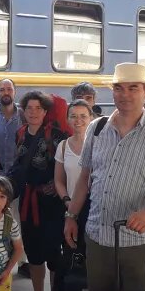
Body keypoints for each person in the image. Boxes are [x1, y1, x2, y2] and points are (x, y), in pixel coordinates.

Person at [64, 64, 145, 291]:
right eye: (119, 88)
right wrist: (71, 216)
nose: (125, 94)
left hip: (137, 243)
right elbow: (85, 178)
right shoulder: (96, 128)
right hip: (97, 236)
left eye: (133, 88)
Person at [8, 91, 67, 291]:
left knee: (52, 251)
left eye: (37, 108)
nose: (32, 112)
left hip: (50, 203)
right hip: (28, 199)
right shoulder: (21, 133)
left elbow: (66, 164)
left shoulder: (56, 136)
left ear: (45, 111)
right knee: (32, 251)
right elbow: (18, 165)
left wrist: (57, 183)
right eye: (29, 108)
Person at [54, 99, 93, 242]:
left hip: (94, 208)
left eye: (83, 116)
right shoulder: (63, 146)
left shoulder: (100, 145)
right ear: (67, 119)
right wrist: (67, 201)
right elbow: (59, 180)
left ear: (91, 118)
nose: (78, 120)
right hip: (70, 208)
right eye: (73, 116)